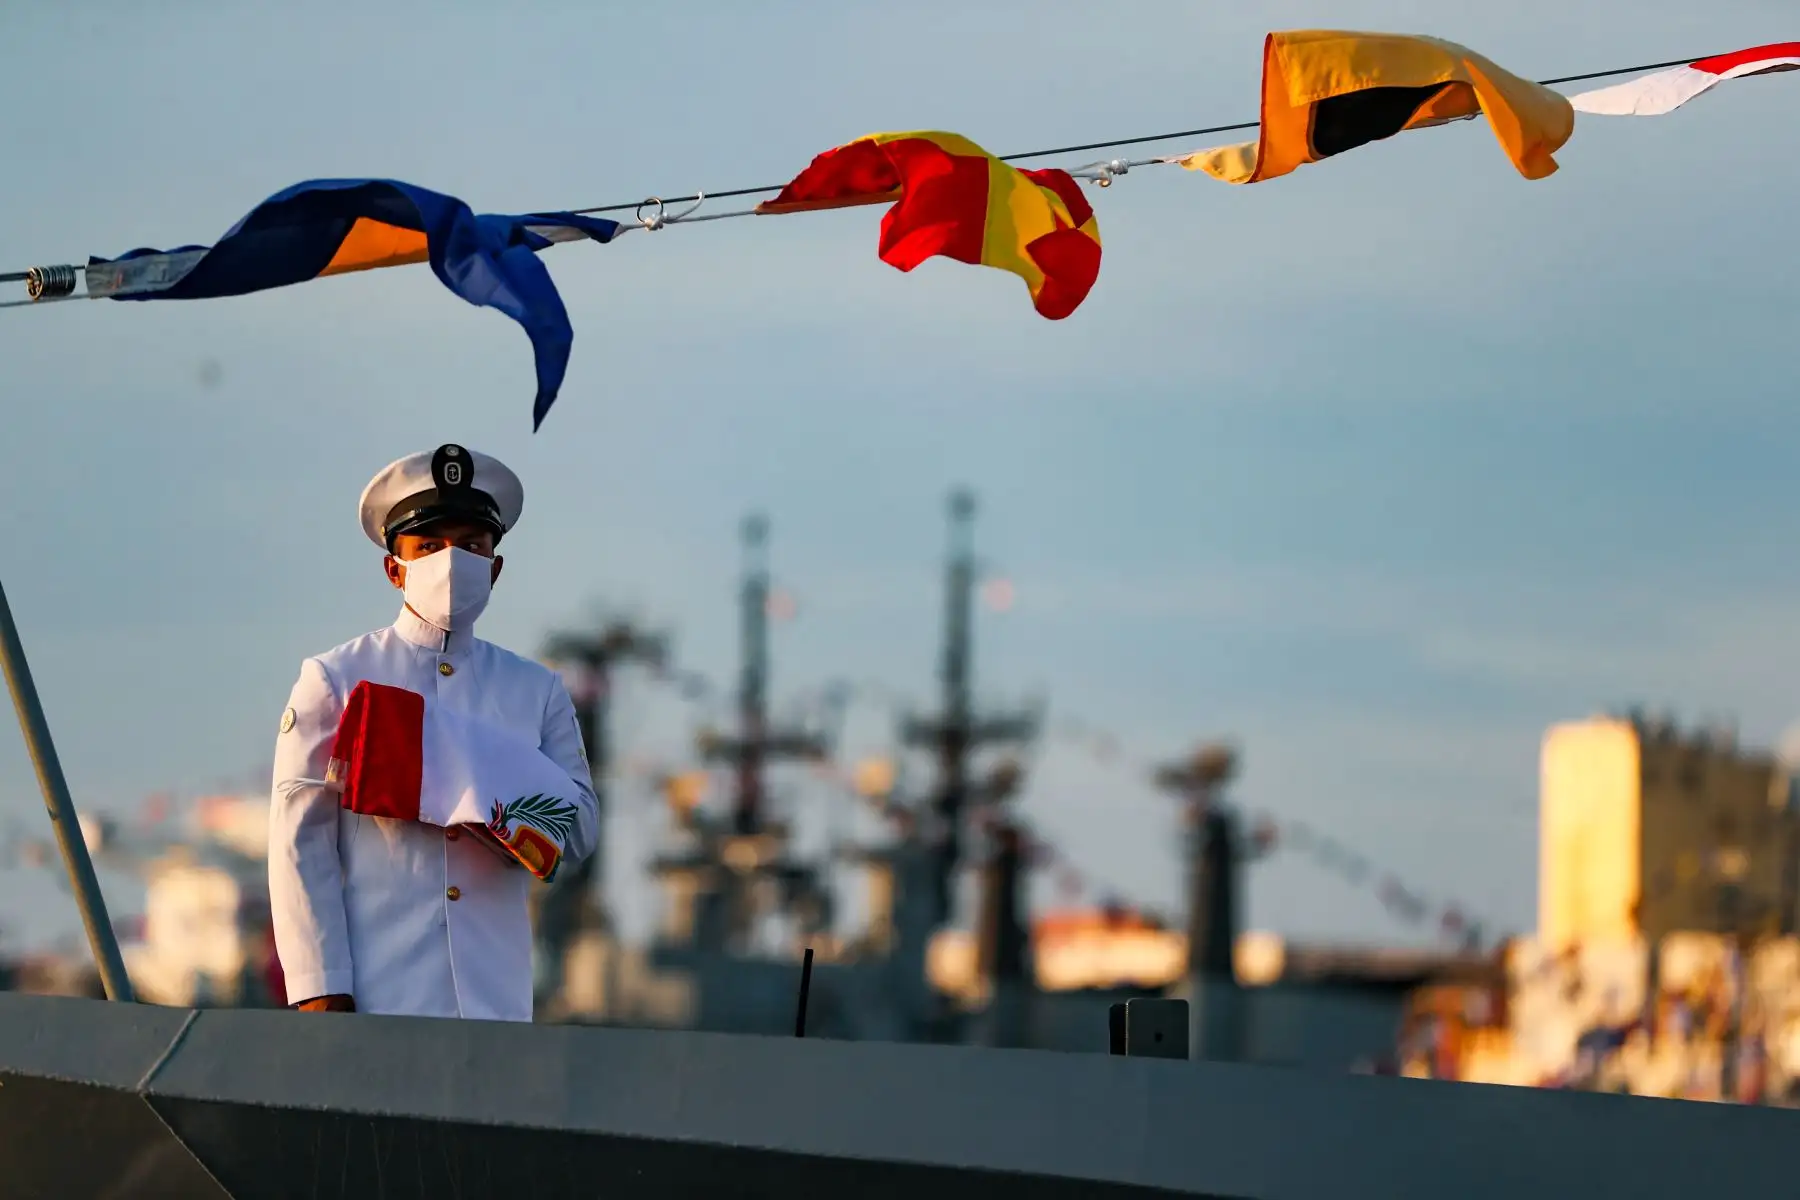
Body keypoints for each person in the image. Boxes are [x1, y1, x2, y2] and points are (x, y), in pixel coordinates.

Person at [268, 443, 597, 1021]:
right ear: (394, 568)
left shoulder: (535, 690)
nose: (452, 562)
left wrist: (439, 756)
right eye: (429, 546)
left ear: (495, 568)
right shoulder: (336, 679)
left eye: (471, 546)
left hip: (497, 1001)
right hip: (377, 995)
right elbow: (300, 845)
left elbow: (578, 833)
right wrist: (319, 987)